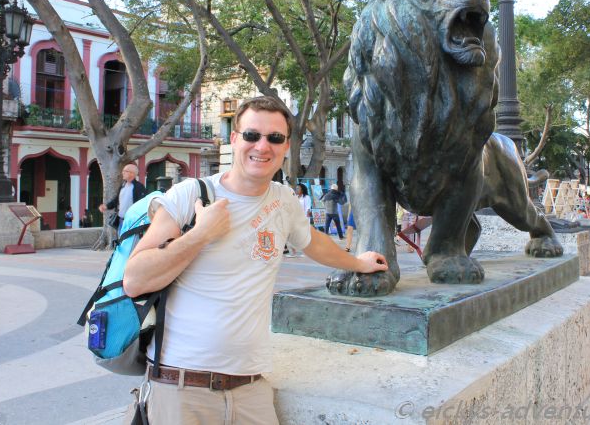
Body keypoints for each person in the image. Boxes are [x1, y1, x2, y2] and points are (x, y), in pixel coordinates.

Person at [122, 96, 387, 424]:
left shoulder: (284, 200)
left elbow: (313, 243)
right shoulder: (191, 195)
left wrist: (358, 263)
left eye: (274, 138)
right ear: (234, 139)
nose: (262, 146)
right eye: (251, 135)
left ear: (286, 145)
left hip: (250, 389)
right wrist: (201, 234)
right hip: (182, 387)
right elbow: (135, 278)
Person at [99, 163, 146, 230]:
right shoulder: (123, 186)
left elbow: (141, 205)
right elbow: (116, 200)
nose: (122, 173)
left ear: (132, 174)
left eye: (125, 171)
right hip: (121, 220)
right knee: (121, 239)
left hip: (132, 221)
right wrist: (106, 206)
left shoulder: (139, 187)